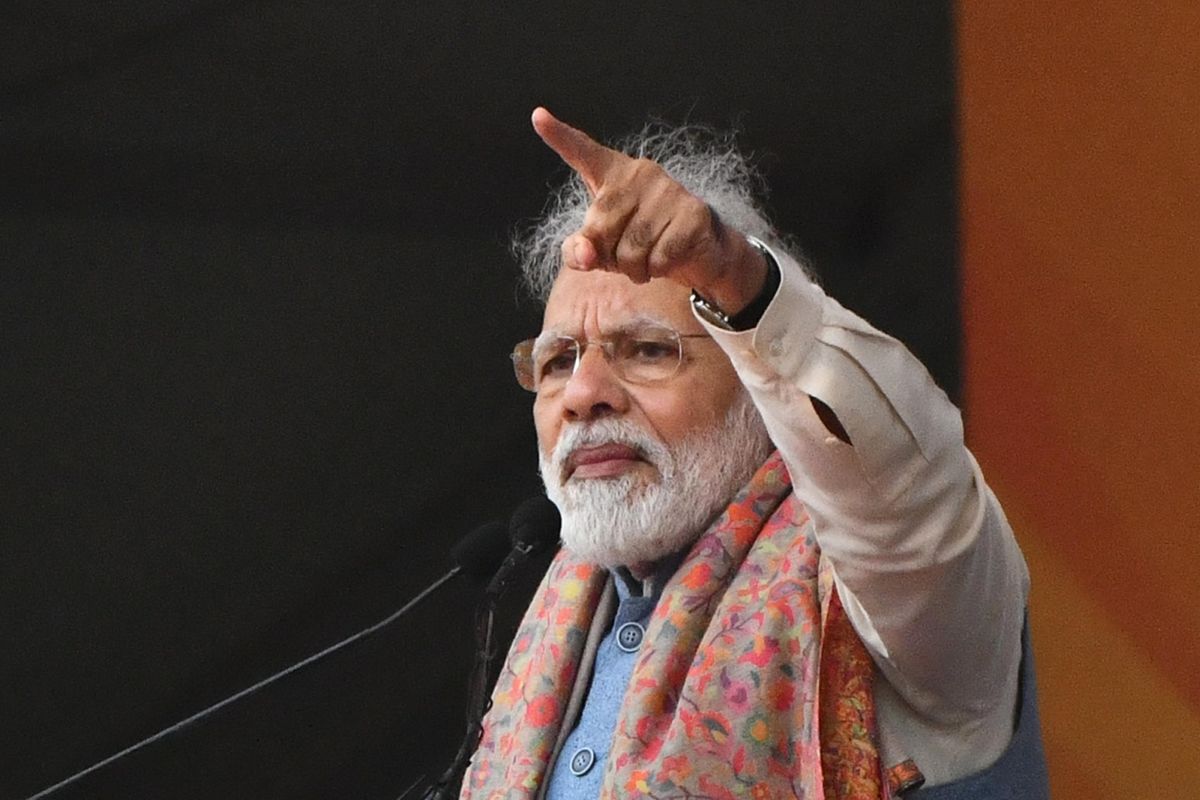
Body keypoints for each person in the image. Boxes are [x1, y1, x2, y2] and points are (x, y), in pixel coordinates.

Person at [459, 108, 1048, 799]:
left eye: (647, 350)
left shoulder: (890, 589)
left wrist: (739, 278)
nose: (584, 395)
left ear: (757, 382)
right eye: (559, 361)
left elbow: (903, 488)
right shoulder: (555, 622)